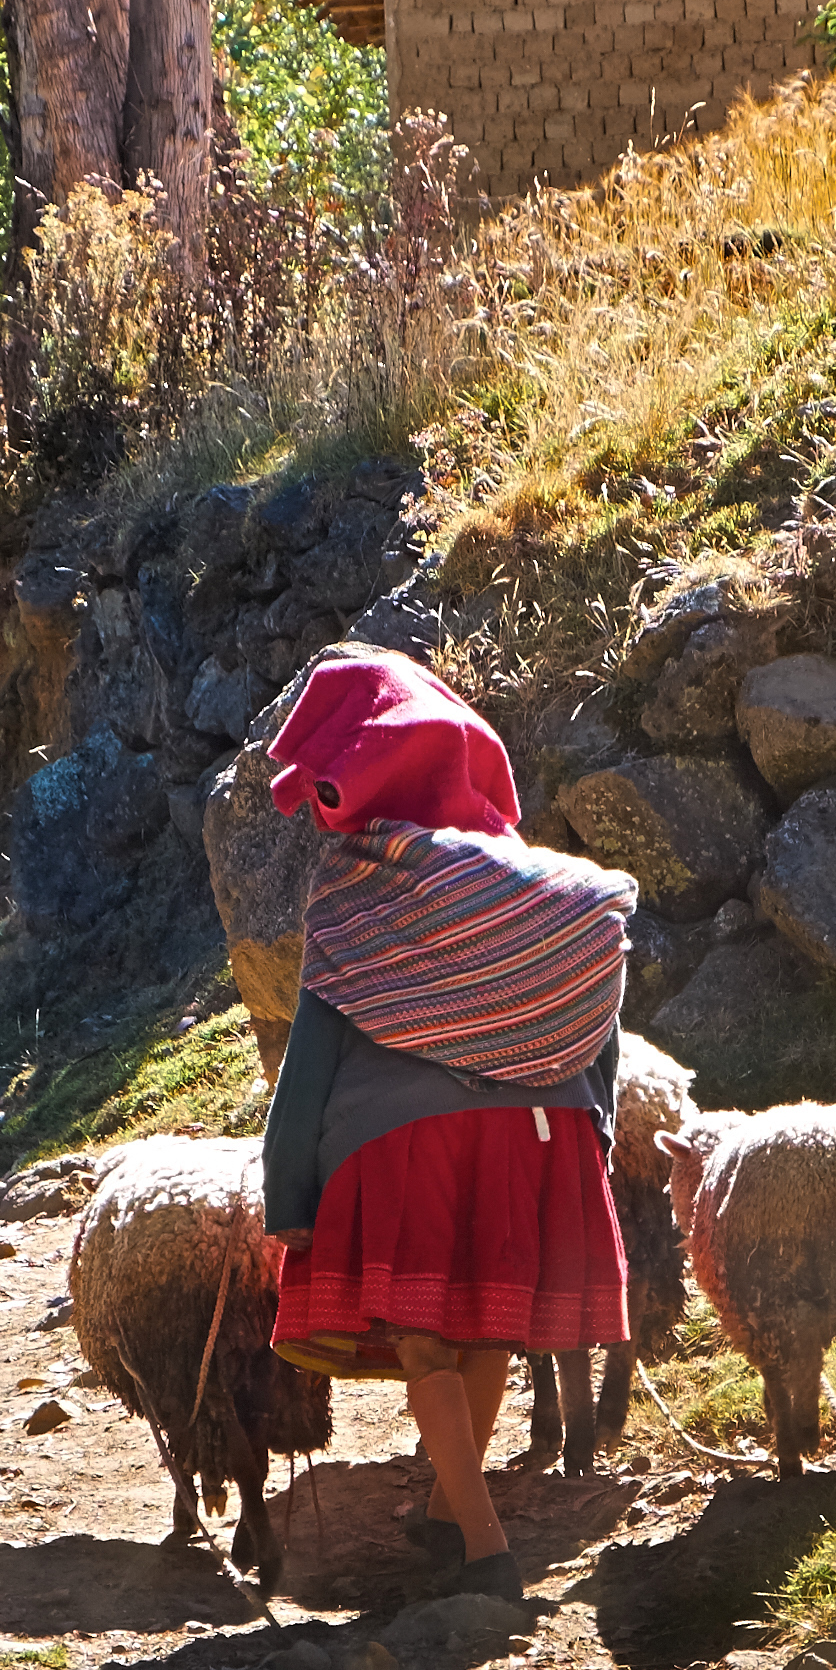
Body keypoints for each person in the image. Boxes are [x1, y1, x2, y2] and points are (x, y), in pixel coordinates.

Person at [258, 654, 636, 1598]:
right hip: (538, 1130)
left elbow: (309, 1059)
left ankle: (483, 1542)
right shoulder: (547, 888)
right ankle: (443, 1515)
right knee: (488, 1325)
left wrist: (286, 1192)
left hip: (405, 1146)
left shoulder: (362, 887)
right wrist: (596, 1131)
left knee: (424, 1329)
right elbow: (601, 1022)